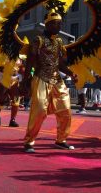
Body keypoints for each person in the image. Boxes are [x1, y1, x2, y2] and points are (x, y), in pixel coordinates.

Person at [22, 11, 78, 153]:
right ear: (47, 24)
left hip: (57, 80)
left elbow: (59, 63)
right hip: (41, 78)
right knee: (40, 110)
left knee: (66, 110)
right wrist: (25, 81)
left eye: (60, 23)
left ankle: (61, 140)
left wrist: (71, 72)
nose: (58, 26)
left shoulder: (59, 41)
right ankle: (29, 141)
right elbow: (30, 60)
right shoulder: (38, 40)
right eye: (55, 23)